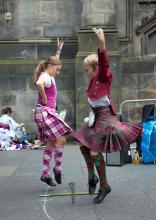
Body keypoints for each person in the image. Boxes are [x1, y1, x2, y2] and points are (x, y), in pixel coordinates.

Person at [73, 28, 142, 204]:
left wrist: (102, 42)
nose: (86, 72)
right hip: (96, 117)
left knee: (95, 151)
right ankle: (92, 178)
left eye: (87, 69)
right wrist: (90, 120)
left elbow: (104, 62)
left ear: (95, 69)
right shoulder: (91, 83)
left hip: (105, 118)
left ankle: (104, 186)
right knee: (83, 146)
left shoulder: (104, 77)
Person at [33, 38, 72, 186]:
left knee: (52, 142)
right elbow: (38, 84)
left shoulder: (49, 74)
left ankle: (45, 174)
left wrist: (58, 51)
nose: (59, 72)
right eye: (57, 69)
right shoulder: (45, 77)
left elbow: (55, 62)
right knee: (62, 138)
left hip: (44, 112)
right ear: (50, 66)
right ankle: (58, 169)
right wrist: (43, 97)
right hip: (45, 111)